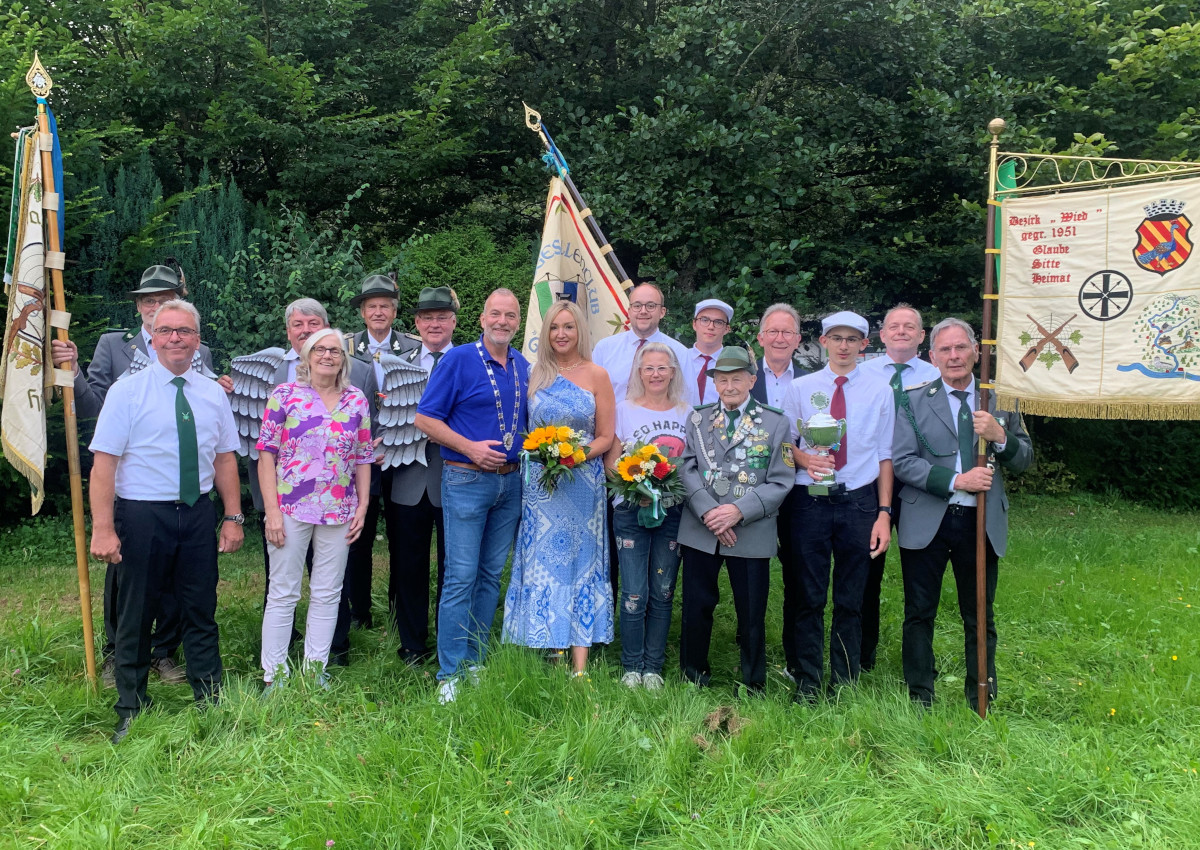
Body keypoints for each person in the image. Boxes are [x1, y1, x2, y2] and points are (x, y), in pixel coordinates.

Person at [52, 264, 217, 688]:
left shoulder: (198, 349)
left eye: (164, 299)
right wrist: (70, 372)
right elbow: (92, 407)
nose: (155, 306)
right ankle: (118, 654)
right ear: (140, 307)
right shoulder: (113, 345)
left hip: (180, 485)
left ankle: (164, 652)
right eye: (148, 300)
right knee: (127, 580)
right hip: (129, 479)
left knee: (178, 581)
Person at [88, 299, 244, 744]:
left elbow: (224, 457)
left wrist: (232, 516)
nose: (176, 338)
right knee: (136, 612)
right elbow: (104, 464)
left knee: (200, 607)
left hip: (196, 513)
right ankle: (130, 706)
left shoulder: (212, 391)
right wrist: (103, 527)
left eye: (186, 331)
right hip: (141, 514)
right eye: (167, 331)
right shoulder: (127, 391)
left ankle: (210, 697)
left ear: (198, 339)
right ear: (152, 338)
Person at [892, 318, 1032, 709]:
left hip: (980, 524)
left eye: (960, 348)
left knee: (980, 616)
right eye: (945, 350)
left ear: (976, 351)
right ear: (932, 357)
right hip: (928, 521)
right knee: (919, 613)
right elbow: (903, 462)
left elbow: (1025, 459)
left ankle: (981, 696)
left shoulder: (1002, 400)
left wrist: (1001, 438)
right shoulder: (912, 399)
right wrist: (956, 480)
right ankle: (920, 697)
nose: (954, 356)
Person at [240, 298, 377, 666]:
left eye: (334, 350)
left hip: (339, 510)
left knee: (328, 592)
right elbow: (265, 453)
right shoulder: (284, 396)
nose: (328, 355)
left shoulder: (356, 400)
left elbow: (363, 456)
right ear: (307, 356)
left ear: (343, 359)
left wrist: (362, 506)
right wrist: (271, 511)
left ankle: (314, 670)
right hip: (290, 507)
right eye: (320, 350)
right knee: (283, 593)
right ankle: (275, 672)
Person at [414, 288, 530, 704]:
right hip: (466, 478)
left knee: (489, 574)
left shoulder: (523, 365)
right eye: (495, 314)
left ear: (518, 321)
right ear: (481, 318)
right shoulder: (459, 359)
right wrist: (469, 447)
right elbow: (425, 417)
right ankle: (449, 670)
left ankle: (476, 660)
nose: (502, 321)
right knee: (460, 576)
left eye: (510, 315)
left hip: (511, 482)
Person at [781, 310, 894, 702]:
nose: (843, 346)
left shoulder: (881, 389)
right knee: (808, 595)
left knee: (852, 597)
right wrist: (805, 459)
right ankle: (808, 681)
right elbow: (782, 444)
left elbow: (884, 455)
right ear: (823, 341)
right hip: (809, 501)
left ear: (865, 345)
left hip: (859, 502)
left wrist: (884, 513)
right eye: (836, 338)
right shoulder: (800, 387)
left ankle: (844, 682)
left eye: (852, 339)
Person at [503, 300, 615, 674]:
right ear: (545, 333)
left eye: (568, 327)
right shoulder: (533, 374)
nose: (561, 334)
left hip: (582, 482)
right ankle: (547, 646)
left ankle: (580, 662)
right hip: (540, 485)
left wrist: (575, 456)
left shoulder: (597, 375)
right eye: (554, 327)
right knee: (541, 562)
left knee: (582, 564)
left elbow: (606, 435)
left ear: (579, 331)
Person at [677, 347, 793, 694]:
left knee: (751, 611)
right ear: (714, 383)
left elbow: (781, 480)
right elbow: (687, 467)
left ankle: (753, 681)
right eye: (722, 379)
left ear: (751, 381)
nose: (729, 386)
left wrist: (738, 511)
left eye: (736, 379)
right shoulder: (697, 419)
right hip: (703, 527)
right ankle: (693, 675)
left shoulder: (775, 421)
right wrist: (710, 512)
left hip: (751, 528)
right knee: (697, 606)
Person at [856, 304, 941, 671]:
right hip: (871, 479)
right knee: (866, 570)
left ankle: (919, 658)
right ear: (883, 335)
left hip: (919, 482)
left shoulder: (937, 376)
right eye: (895, 326)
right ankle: (861, 653)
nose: (902, 331)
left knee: (918, 572)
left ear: (922, 336)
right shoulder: (863, 373)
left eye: (910, 326)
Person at [604, 342, 689, 689]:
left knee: (663, 590)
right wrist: (635, 488)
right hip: (630, 511)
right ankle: (631, 666)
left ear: (672, 372)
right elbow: (611, 464)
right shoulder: (623, 410)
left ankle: (653, 667)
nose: (655, 374)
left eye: (662, 368)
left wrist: (664, 488)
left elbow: (691, 467)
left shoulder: (688, 412)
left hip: (671, 512)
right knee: (634, 591)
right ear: (639, 373)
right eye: (648, 368)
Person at [344, 274, 420, 630]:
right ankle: (358, 612)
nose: (378, 312)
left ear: (394, 310)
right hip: (358, 456)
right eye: (371, 306)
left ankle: (397, 611)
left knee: (404, 537)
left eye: (385, 306)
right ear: (362, 311)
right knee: (357, 535)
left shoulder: (416, 348)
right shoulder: (342, 348)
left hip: (404, 454)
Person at [387, 285, 457, 664]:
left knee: (454, 568)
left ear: (453, 322)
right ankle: (412, 644)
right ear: (415, 322)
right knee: (408, 566)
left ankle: (450, 640)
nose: (434, 324)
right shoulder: (394, 362)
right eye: (427, 318)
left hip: (456, 478)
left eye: (441, 317)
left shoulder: (467, 360)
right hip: (407, 479)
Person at [749, 302, 810, 679]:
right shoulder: (739, 377)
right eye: (773, 331)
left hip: (796, 492)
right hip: (748, 490)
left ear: (798, 340)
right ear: (760, 338)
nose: (780, 338)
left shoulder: (811, 382)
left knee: (798, 575)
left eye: (788, 332)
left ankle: (794, 657)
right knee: (748, 574)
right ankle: (747, 643)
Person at [591, 282, 690, 404]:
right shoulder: (604, 349)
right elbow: (591, 396)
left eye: (651, 306)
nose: (643, 311)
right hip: (613, 422)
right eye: (637, 306)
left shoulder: (680, 353)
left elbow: (688, 403)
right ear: (629, 311)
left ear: (662, 312)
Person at [681, 298, 734, 407]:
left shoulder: (733, 364)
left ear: (727, 329)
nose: (711, 327)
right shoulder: (679, 359)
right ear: (694, 324)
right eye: (705, 320)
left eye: (718, 322)